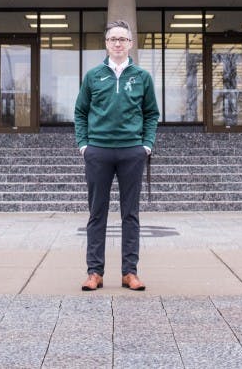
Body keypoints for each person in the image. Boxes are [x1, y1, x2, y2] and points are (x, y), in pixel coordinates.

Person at [75, 19, 159, 292]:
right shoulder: (93, 76)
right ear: (107, 43)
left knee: (130, 215)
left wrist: (146, 145)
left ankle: (129, 272)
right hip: (98, 151)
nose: (118, 43)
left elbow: (151, 114)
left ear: (131, 43)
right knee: (96, 214)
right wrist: (84, 145)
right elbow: (80, 112)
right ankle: (94, 272)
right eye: (113, 39)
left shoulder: (142, 77)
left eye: (123, 39)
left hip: (131, 152)